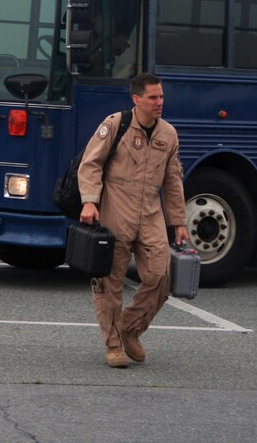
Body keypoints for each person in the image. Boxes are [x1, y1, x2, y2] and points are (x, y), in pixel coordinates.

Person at [77, 72, 189, 367]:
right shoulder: (116, 124)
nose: (159, 102)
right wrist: (89, 201)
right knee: (109, 282)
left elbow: (173, 180)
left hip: (151, 212)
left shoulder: (169, 134)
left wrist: (178, 222)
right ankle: (113, 345)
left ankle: (130, 329)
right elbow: (91, 165)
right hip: (117, 208)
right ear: (137, 99)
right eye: (153, 97)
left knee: (160, 275)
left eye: (161, 96)